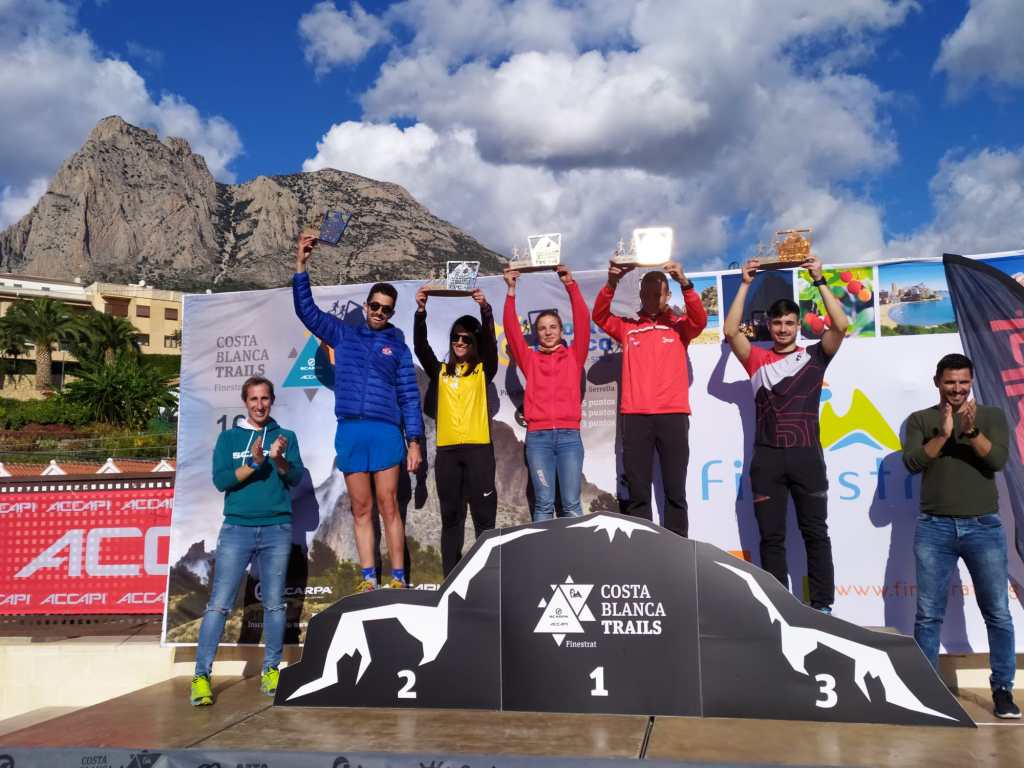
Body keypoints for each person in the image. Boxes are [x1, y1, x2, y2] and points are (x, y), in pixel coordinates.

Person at [292, 233, 423, 592]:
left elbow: (409, 397)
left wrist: (414, 441)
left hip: (385, 433)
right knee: (361, 508)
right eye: (375, 306)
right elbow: (307, 311)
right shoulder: (343, 336)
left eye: (386, 309)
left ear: (392, 312)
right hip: (350, 431)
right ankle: (368, 579)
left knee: (389, 506)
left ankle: (398, 578)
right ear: (366, 306)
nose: (379, 312)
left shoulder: (398, 348)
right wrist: (301, 265)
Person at [722, 256, 847, 613]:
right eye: (776, 322)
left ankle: (823, 607)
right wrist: (745, 283)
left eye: (789, 322)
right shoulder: (756, 359)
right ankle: (779, 610)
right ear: (769, 325)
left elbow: (841, 325)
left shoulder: (815, 356)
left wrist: (819, 279)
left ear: (798, 325)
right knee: (771, 539)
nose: (782, 329)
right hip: (768, 458)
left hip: (807, 456)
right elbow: (730, 332)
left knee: (815, 533)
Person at [903, 353, 1018, 719]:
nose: (957, 389)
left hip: (983, 527)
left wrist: (970, 432)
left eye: (963, 382)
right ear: (937, 381)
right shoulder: (920, 420)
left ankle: (1002, 690)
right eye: (950, 382)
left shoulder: (992, 417)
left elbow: (996, 461)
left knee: (997, 613)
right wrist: (944, 434)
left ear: (971, 382)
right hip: (934, 527)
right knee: (928, 614)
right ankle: (928, 694)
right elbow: (912, 462)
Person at [191, 376, 304, 706]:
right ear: (245, 402)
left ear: (272, 401)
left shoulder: (286, 437)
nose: (259, 405)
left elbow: (295, 477)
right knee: (219, 604)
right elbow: (221, 480)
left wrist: (279, 460)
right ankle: (201, 677)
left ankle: (271, 670)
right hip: (237, 529)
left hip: (277, 529)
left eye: (264, 398)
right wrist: (254, 463)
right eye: (253, 399)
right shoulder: (229, 438)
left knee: (275, 604)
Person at [592, 261, 706, 535]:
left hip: (673, 415)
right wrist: (611, 283)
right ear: (640, 295)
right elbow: (599, 316)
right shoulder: (628, 328)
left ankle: (677, 548)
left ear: (668, 295)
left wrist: (685, 283)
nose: (653, 299)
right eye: (648, 293)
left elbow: (700, 321)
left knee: (675, 491)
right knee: (638, 493)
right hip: (636, 417)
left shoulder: (679, 327)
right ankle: (642, 548)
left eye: (659, 294)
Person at [414, 286, 499, 575]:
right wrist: (421, 312)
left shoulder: (483, 370)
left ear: (474, 342)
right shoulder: (440, 371)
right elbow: (421, 348)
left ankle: (488, 576)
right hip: (448, 453)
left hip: (479, 451)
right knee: (451, 517)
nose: (460, 342)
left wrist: (485, 310)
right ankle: (451, 577)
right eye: (456, 337)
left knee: (484, 518)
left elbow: (491, 345)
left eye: (466, 338)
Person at [504, 265, 591, 520]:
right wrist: (511, 292)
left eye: (553, 327)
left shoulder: (574, 356)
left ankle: (576, 549)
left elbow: (583, 321)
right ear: (536, 333)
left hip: (569, 438)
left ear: (561, 331)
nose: (548, 332)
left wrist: (570, 285)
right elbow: (512, 331)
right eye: (542, 328)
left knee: (571, 505)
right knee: (543, 504)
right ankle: (544, 549)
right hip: (538, 439)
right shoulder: (530, 360)